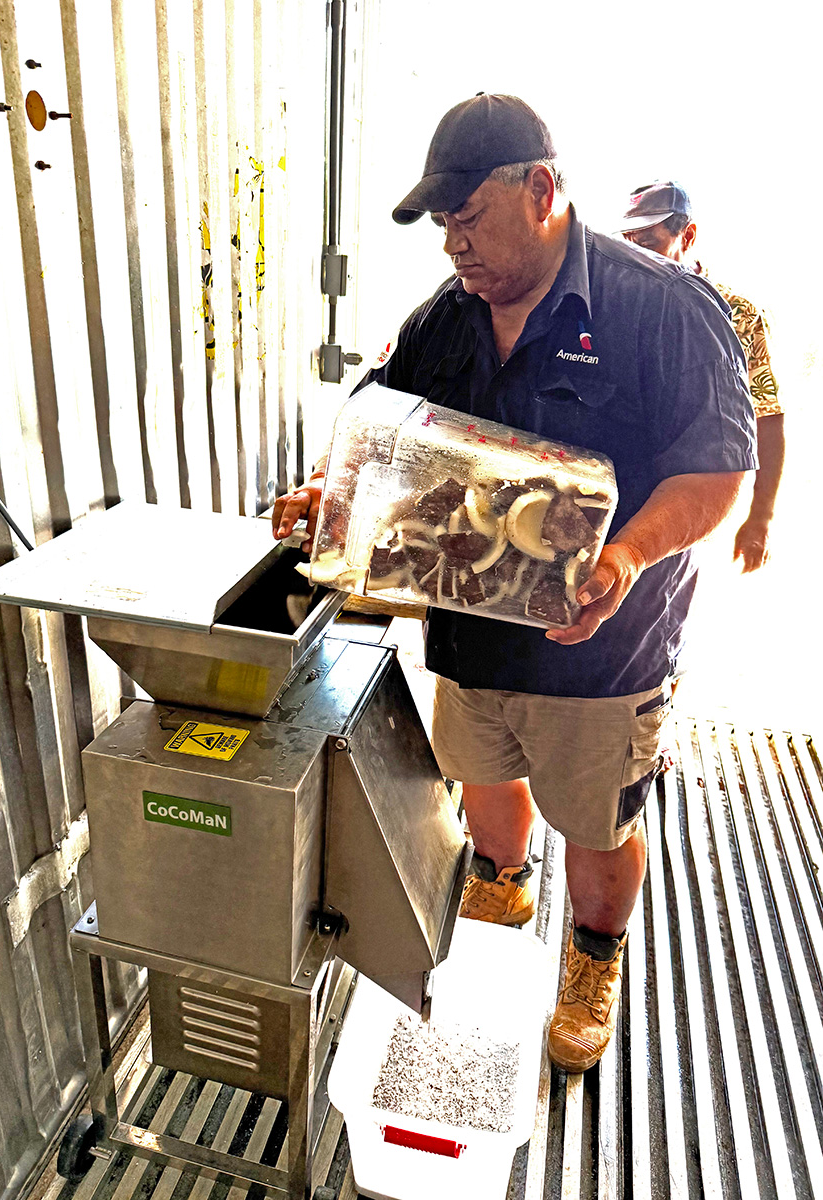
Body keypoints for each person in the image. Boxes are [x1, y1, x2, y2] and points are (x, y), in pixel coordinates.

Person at [273, 94, 756, 1073]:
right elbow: (389, 438)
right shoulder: (445, 321)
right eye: (443, 226)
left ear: (540, 190)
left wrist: (624, 557)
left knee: (595, 821)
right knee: (486, 784)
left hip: (602, 653)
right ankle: (500, 879)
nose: (455, 246)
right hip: (471, 638)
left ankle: (592, 953)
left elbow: (719, 475)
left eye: (469, 219)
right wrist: (336, 491)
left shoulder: (661, 306)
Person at [617, 181, 784, 572]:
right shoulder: (613, 300)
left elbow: (767, 417)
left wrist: (761, 518)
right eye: (627, 240)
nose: (633, 253)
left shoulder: (736, 314)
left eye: (647, 241)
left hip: (682, 509)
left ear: (687, 236)